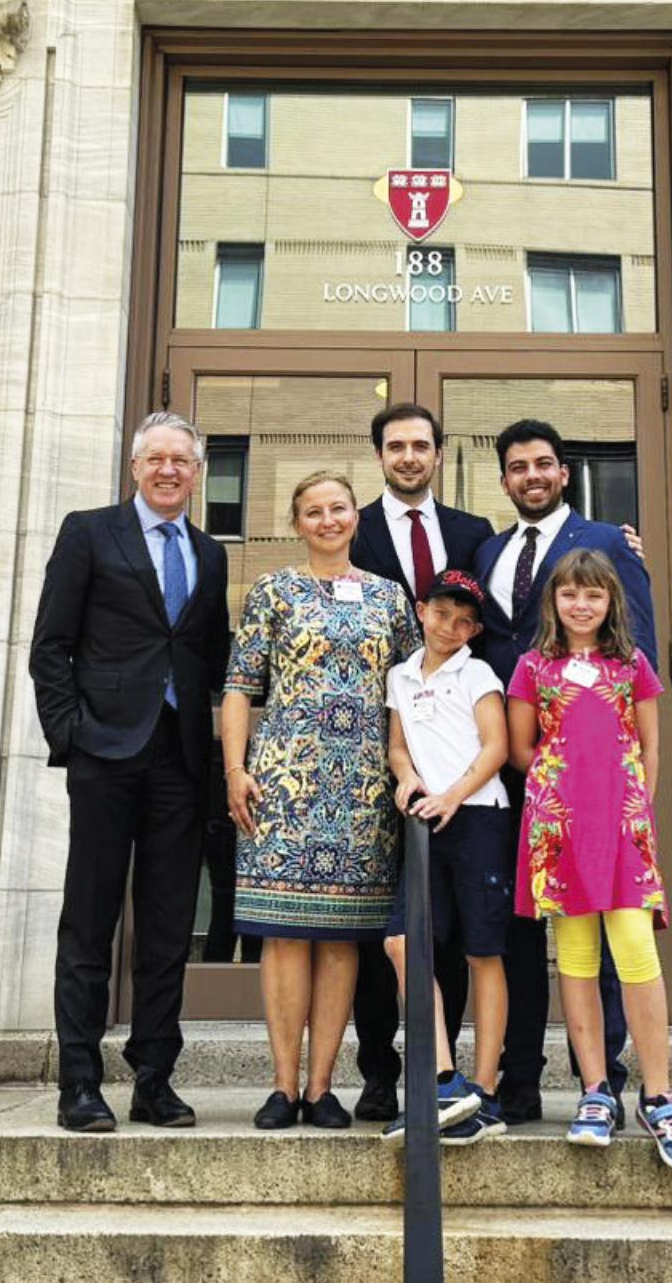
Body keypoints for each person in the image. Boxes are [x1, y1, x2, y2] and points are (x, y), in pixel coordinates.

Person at [29, 411, 231, 1134]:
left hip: (179, 760)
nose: (169, 470)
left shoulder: (211, 555)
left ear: (197, 471)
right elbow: (51, 646)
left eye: (183, 459)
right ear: (135, 466)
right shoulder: (89, 532)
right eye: (157, 459)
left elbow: (207, 652)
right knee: (90, 922)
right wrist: (72, 736)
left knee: (169, 928)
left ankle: (155, 1078)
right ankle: (78, 1082)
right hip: (105, 755)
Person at [472, 417, 658, 1125]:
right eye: (519, 467)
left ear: (563, 472)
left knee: (608, 925)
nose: (533, 476)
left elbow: (636, 655)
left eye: (544, 464)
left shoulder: (608, 543)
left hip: (594, 778)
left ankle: (603, 1078)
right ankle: (518, 1080)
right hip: (506, 764)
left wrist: (633, 786)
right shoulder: (489, 549)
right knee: (518, 924)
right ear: (505, 480)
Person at [220, 470, 419, 1130]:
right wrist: (234, 769)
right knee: (282, 936)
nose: (328, 519)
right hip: (284, 781)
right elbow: (240, 686)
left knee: (341, 940)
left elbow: (416, 690)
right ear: (297, 522)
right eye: (313, 511)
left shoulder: (391, 598)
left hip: (362, 787)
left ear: (354, 517)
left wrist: (409, 771)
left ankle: (322, 1087)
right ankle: (282, 1087)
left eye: (338, 508)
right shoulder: (274, 590)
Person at [507, 548, 672, 1172]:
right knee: (576, 960)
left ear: (610, 601)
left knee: (636, 954)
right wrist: (556, 798)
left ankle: (658, 1094)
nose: (581, 604)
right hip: (561, 829)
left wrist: (634, 810)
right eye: (570, 594)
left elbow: (650, 749)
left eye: (593, 595)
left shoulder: (632, 665)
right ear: (554, 602)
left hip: (622, 829)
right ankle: (595, 1091)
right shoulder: (532, 668)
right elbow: (522, 750)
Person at [345, 402, 493, 1120]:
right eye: (396, 446)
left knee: (449, 931)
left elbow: (503, 624)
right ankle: (382, 1073)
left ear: (438, 454)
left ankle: (446, 1070)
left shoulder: (473, 533)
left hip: (458, 764)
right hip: (379, 754)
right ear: (379, 456)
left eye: (421, 446)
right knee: (389, 927)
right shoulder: (356, 529)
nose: (409, 456)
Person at [381, 570, 512, 1147]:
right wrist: (407, 779)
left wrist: (453, 795)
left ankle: (485, 1090)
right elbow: (397, 744)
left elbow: (497, 747)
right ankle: (442, 1077)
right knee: (403, 941)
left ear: (475, 629)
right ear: (421, 609)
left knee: (483, 951)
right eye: (440, 614)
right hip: (426, 821)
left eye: (464, 621)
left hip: (478, 815)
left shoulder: (476, 671)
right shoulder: (401, 674)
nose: (449, 627)